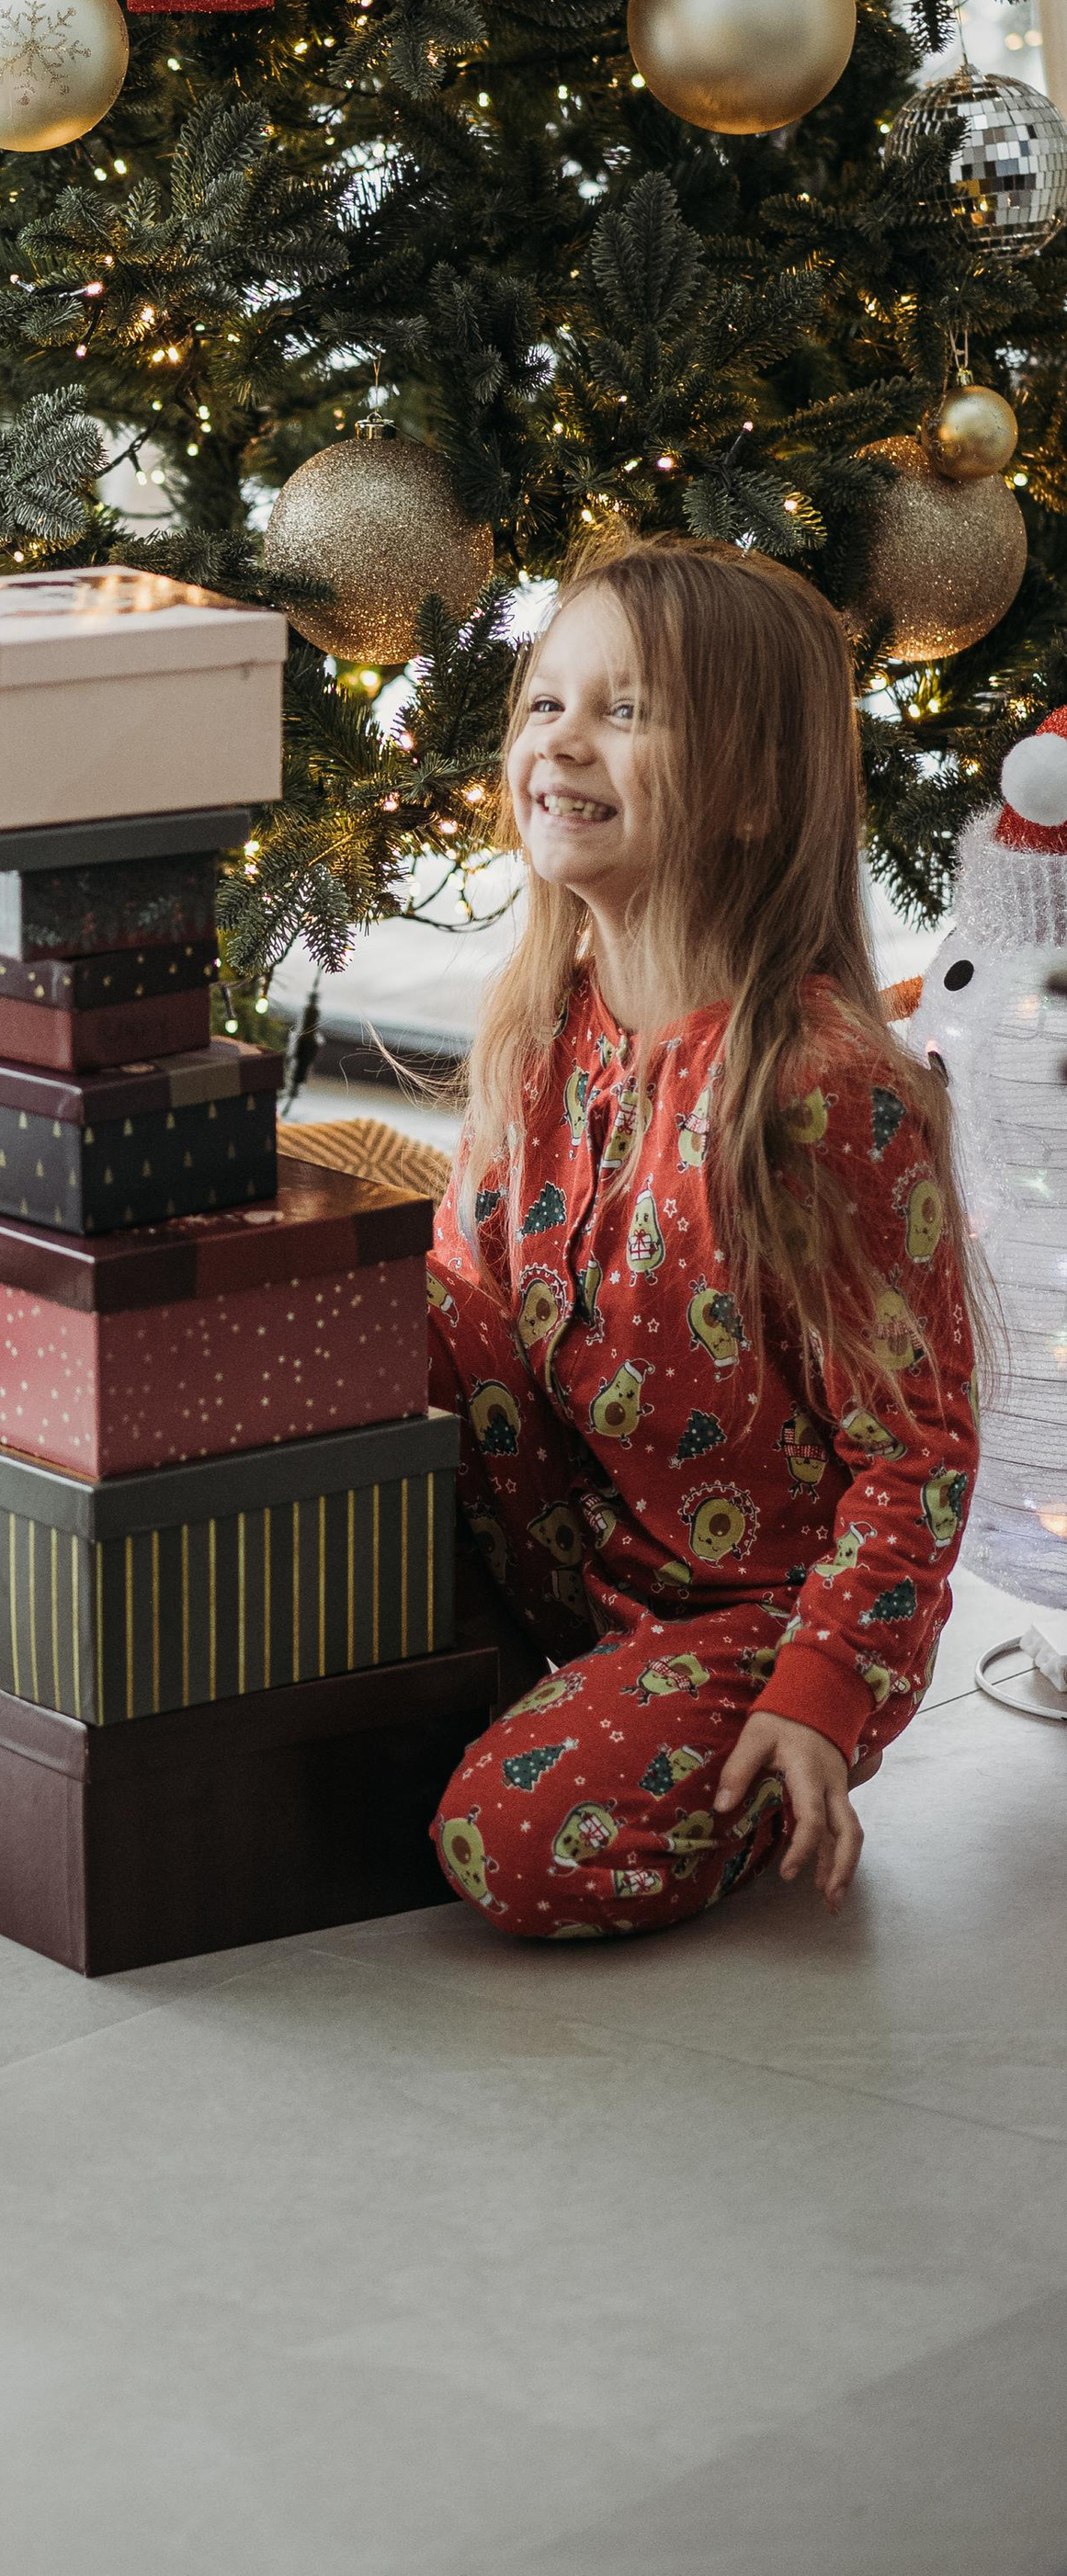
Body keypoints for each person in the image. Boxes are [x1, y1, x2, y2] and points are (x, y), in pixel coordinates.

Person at [426, 538, 979, 1941]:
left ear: (747, 793)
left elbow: (914, 1450)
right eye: (546, 702)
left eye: (627, 713)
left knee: (509, 1845)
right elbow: (462, 1327)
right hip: (575, 1545)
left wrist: (823, 1690)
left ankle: (751, 1764)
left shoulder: (820, 1082)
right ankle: (533, 1689)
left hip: (765, 1611)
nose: (560, 744)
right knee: (389, 1311)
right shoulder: (541, 1024)